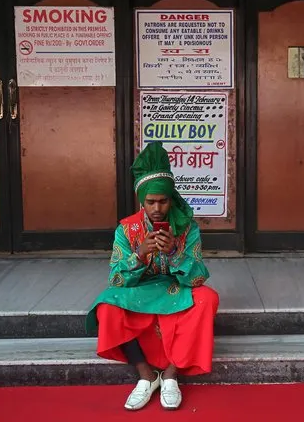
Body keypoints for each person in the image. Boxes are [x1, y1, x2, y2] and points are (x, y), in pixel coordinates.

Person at [85, 141, 220, 411]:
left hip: (175, 289)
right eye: (151, 202)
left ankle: (171, 374)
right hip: (141, 290)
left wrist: (174, 254)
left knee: (207, 298)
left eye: (163, 201)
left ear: (171, 199)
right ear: (141, 201)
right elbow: (116, 280)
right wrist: (140, 255)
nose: (157, 208)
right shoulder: (126, 230)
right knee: (108, 304)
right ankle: (146, 376)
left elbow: (198, 277)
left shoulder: (187, 228)